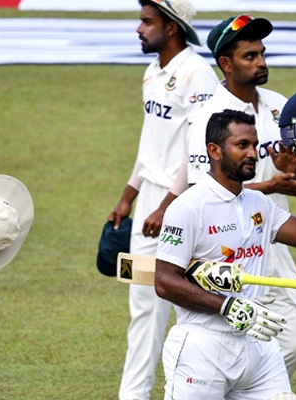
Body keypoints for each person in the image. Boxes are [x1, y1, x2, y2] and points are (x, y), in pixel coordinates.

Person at [156, 94, 296, 399]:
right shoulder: (188, 208)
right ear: (214, 150)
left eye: (255, 145)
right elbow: (164, 281)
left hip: (258, 344)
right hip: (202, 349)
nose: (253, 153)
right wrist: (227, 306)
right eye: (242, 145)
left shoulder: (259, 203)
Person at [181, 14, 296, 377]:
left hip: (276, 241)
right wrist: (270, 186)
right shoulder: (206, 118)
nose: (261, 62)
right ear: (226, 64)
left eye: (262, 53)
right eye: (250, 56)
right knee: (230, 349)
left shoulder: (281, 106)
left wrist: (290, 169)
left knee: (291, 346)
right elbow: (200, 192)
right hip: (227, 249)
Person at [106, 0, 218, 398]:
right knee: (143, 304)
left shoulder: (197, 75)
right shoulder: (153, 71)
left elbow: (199, 148)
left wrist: (167, 204)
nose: (139, 29)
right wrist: (129, 195)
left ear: (172, 27)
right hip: (152, 203)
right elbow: (150, 139)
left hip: (184, 202)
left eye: (146, 21)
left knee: (190, 305)